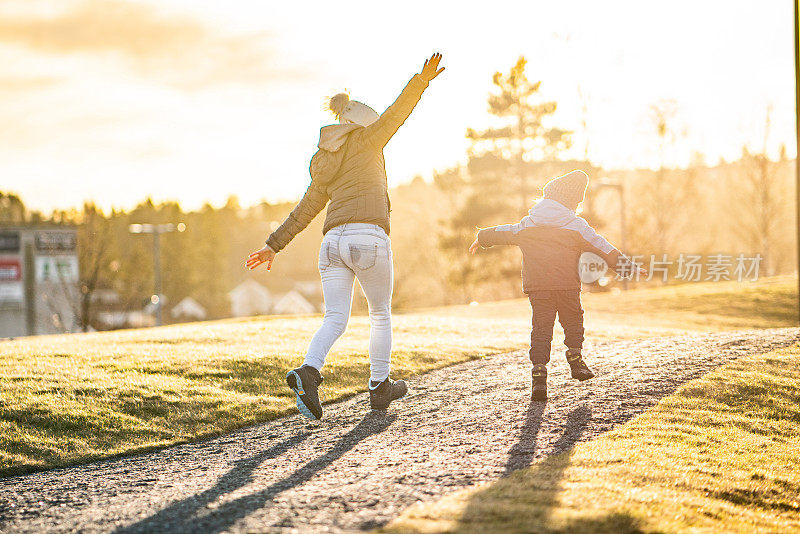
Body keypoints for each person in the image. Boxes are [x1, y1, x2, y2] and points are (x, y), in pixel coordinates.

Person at [246, 53, 445, 420]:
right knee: (380, 313)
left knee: (335, 317)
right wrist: (421, 81)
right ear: (359, 123)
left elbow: (306, 208)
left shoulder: (325, 160)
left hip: (331, 244)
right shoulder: (368, 140)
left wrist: (273, 244)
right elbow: (396, 113)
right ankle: (379, 386)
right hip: (367, 237)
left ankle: (309, 372)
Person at [469, 170, 645, 401]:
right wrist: (628, 266)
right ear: (572, 202)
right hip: (566, 285)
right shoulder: (576, 225)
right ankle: (575, 359)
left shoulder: (527, 224)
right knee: (573, 320)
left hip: (538, 287)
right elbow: (603, 247)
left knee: (541, 328)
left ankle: (539, 376)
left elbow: (504, 232)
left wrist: (481, 238)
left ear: (547, 197)